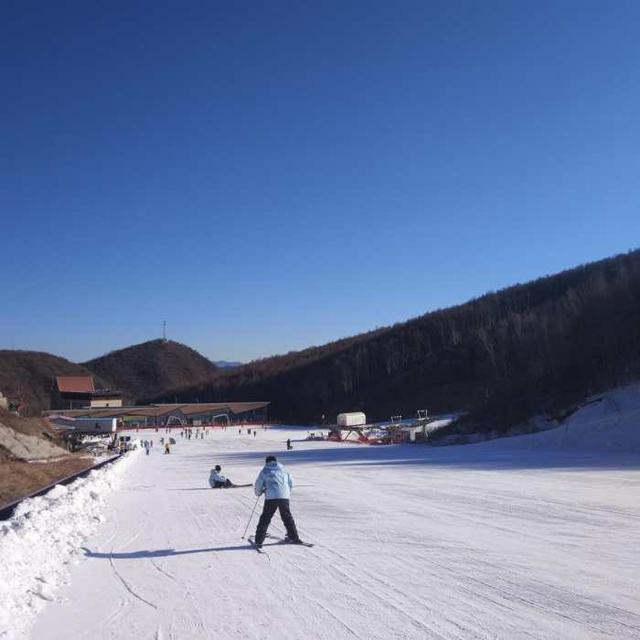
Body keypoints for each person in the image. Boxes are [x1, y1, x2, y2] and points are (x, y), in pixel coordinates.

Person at [253, 456, 302, 547]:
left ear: (266, 462)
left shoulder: (265, 470)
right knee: (287, 517)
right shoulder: (284, 469)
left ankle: (259, 540)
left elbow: (258, 484)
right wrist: (286, 493)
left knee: (265, 518)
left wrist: (258, 493)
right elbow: (291, 483)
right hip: (284, 496)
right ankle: (294, 537)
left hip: (271, 497)